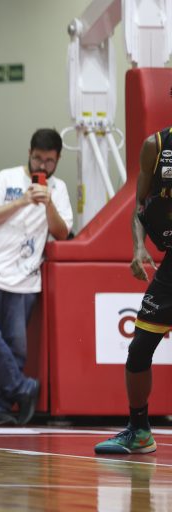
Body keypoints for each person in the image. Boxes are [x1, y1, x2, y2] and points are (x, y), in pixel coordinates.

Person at [0, 128, 73, 426]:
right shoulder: (6, 178)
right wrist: (22, 201)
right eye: (38, 159)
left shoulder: (59, 189)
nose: (42, 166)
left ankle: (0, 407)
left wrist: (47, 203)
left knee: (16, 347)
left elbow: (62, 233)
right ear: (29, 153)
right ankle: (22, 387)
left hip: (24, 279)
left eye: (49, 161)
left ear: (58, 159)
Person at [94, 128, 172, 454]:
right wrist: (138, 247)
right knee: (139, 348)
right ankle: (139, 431)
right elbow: (141, 206)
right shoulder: (156, 146)